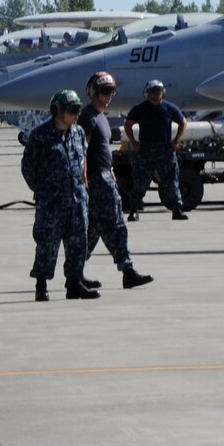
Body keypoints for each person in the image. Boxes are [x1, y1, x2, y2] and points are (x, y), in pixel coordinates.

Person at [78, 71, 155, 290]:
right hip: (96, 180)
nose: (109, 95)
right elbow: (81, 150)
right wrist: (85, 176)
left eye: (111, 91)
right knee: (117, 226)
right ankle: (127, 271)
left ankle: (75, 273)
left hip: (103, 175)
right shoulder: (88, 117)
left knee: (92, 230)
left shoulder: (100, 116)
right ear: (93, 92)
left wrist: (109, 167)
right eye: (104, 91)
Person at [22, 89, 97, 302]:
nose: (77, 115)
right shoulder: (40, 135)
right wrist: (42, 190)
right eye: (72, 111)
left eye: (78, 110)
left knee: (78, 244)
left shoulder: (79, 133)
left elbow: (82, 160)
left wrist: (83, 186)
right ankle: (41, 285)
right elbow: (28, 167)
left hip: (77, 199)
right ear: (58, 111)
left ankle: (74, 284)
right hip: (51, 202)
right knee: (47, 243)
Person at [123, 79, 188, 220]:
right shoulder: (140, 109)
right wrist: (134, 143)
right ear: (148, 93)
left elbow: (183, 122)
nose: (156, 95)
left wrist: (176, 140)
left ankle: (177, 209)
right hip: (146, 149)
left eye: (158, 92)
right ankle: (134, 210)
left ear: (162, 93)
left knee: (171, 181)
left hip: (165, 149)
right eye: (153, 92)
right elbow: (128, 124)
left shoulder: (170, 108)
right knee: (140, 181)